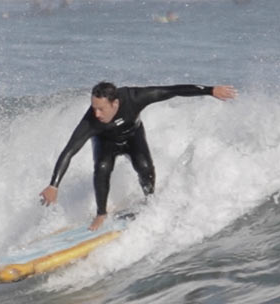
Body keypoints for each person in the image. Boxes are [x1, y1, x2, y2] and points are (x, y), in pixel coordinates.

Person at [40, 82, 238, 230]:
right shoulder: (91, 122)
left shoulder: (135, 97)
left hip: (133, 137)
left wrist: (209, 90)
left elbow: (172, 91)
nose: (97, 114)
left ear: (115, 103)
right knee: (102, 169)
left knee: (144, 167)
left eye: (101, 108)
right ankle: (101, 214)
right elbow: (69, 150)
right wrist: (53, 184)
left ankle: (150, 200)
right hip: (105, 142)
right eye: (94, 108)